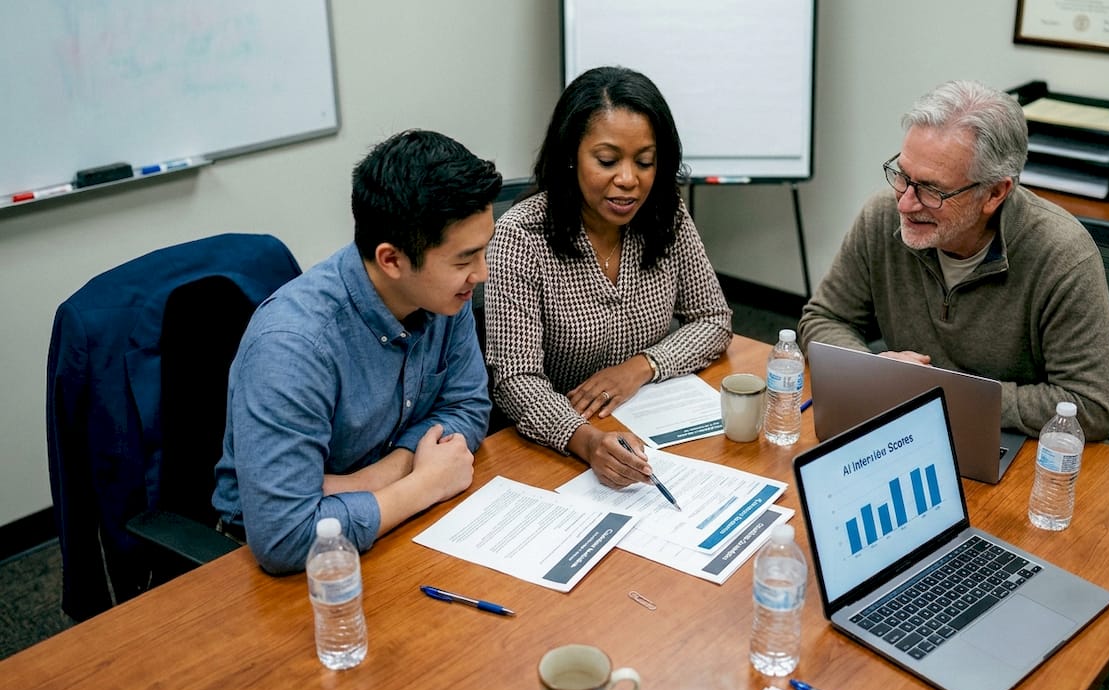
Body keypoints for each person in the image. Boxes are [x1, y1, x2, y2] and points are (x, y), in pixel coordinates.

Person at [213, 130, 503, 573]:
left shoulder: (443, 295)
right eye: (464, 260)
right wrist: (423, 485)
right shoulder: (293, 346)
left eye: (483, 251)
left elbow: (467, 406)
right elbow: (285, 537)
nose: (481, 274)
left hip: (387, 521)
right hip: (277, 564)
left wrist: (371, 478)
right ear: (392, 260)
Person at [798, 80, 1109, 440]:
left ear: (994, 193)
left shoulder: (1062, 255)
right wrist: (871, 369)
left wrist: (945, 393)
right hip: (908, 427)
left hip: (1013, 442)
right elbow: (823, 318)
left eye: (931, 189)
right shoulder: (882, 216)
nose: (905, 202)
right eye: (902, 175)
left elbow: (1091, 407)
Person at [485, 66, 733, 486]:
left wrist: (642, 366)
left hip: (648, 424)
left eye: (645, 162)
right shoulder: (522, 236)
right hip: (558, 446)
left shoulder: (665, 213)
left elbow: (713, 318)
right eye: (607, 161)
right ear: (571, 156)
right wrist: (585, 441)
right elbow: (515, 379)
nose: (628, 180)